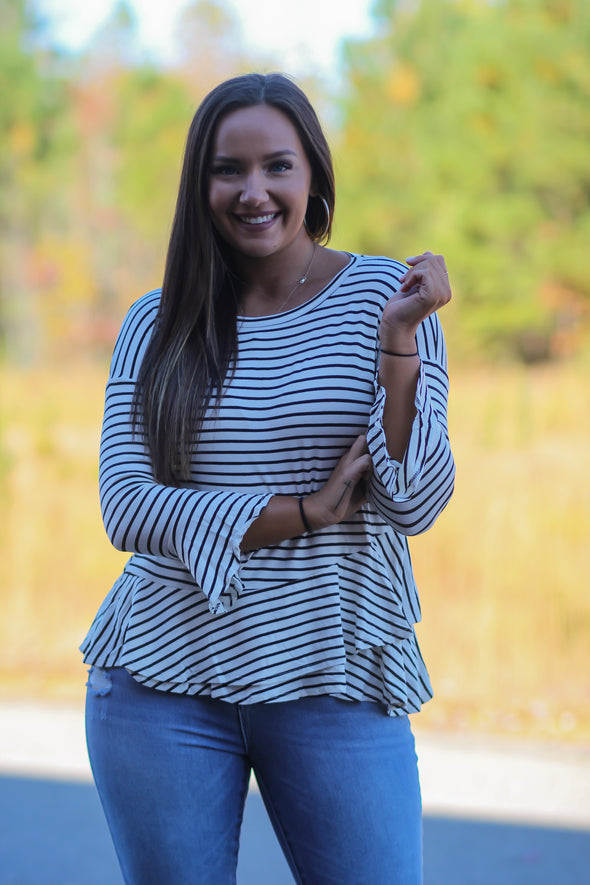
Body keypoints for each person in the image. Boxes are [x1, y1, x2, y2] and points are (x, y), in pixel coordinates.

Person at [82, 72, 454, 885]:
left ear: (313, 173)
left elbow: (414, 499)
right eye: (229, 169)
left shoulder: (386, 299)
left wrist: (398, 346)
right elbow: (128, 506)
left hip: (334, 669)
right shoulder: (157, 321)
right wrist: (304, 512)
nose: (254, 191)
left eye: (277, 166)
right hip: (162, 682)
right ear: (201, 183)